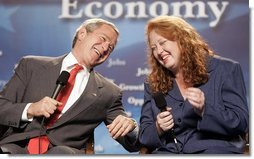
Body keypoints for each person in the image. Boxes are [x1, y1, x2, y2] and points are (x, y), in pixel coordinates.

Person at [0, 18, 139, 154]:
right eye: (103, 39)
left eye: (110, 48)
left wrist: (130, 126)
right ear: (82, 34)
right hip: (15, 149)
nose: (104, 48)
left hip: (62, 152)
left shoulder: (109, 92)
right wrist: (30, 109)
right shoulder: (31, 66)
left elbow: (132, 144)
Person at [139, 15, 249, 154]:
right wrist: (158, 128)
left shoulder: (226, 69)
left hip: (215, 151)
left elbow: (240, 123)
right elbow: (143, 135)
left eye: (163, 42)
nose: (159, 51)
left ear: (182, 39)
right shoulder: (152, 84)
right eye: (154, 47)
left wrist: (205, 110)